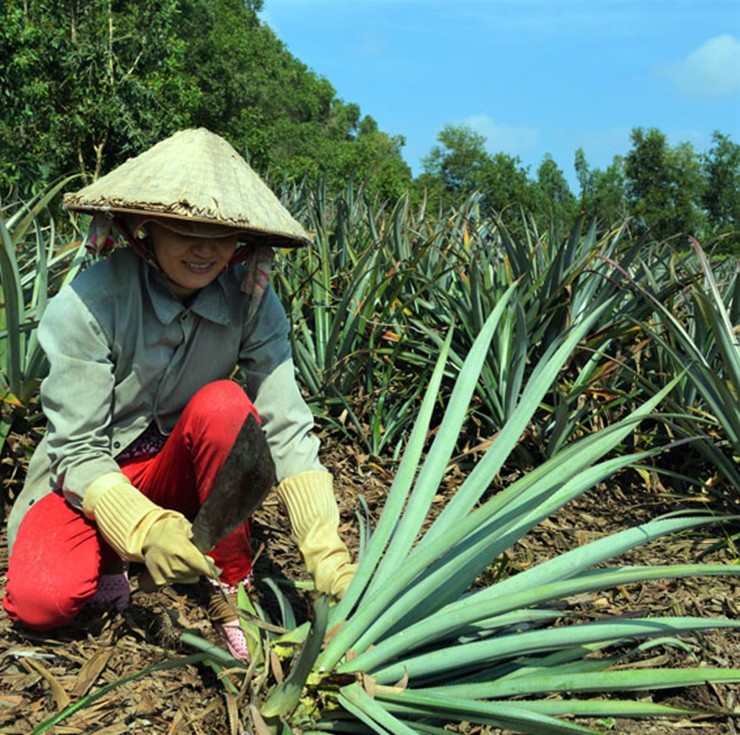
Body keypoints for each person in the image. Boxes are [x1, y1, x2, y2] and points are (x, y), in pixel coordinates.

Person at [2, 128, 356, 662]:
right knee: (41, 602)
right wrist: (147, 528)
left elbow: (284, 423)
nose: (205, 248)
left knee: (223, 405)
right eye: (185, 227)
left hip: (174, 468)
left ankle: (229, 593)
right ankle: (122, 555)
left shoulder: (252, 301)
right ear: (145, 228)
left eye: (222, 233)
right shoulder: (89, 302)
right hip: (85, 478)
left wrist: (326, 553)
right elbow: (77, 452)